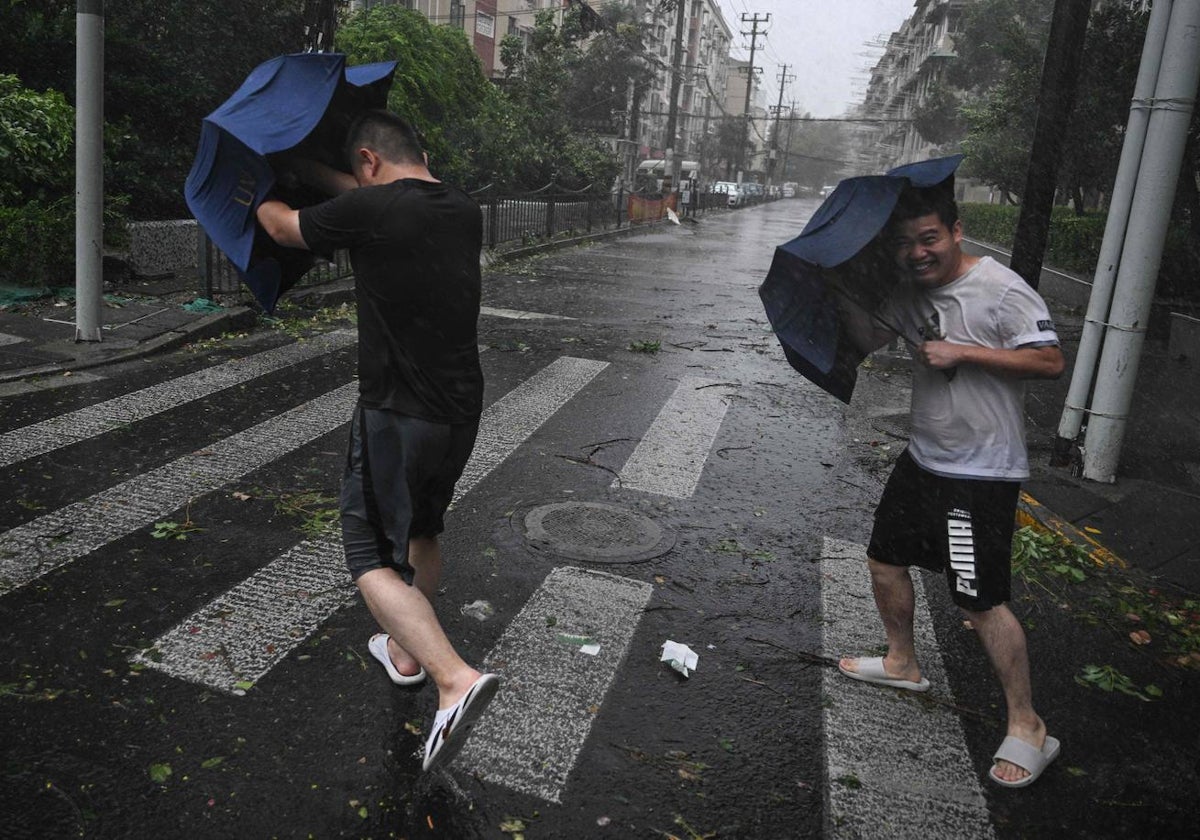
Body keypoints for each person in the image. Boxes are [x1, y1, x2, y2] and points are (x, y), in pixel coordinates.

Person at [255, 110, 499, 773]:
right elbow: (373, 197)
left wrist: (264, 191)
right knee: (423, 534)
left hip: (396, 409)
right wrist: (316, 171)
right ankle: (405, 654)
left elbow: (283, 227)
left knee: (367, 554)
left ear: (369, 161)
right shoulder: (461, 207)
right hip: (459, 410)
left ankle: (453, 677)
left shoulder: (370, 212)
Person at [836, 184, 1065, 789]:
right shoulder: (911, 291)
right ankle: (902, 661)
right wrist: (850, 302)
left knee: (978, 599)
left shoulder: (1000, 288)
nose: (917, 251)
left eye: (929, 237)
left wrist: (964, 350)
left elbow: (1048, 360)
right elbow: (873, 337)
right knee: (884, 561)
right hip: (925, 458)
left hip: (980, 471)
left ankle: (1029, 724)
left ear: (956, 232)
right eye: (906, 243)